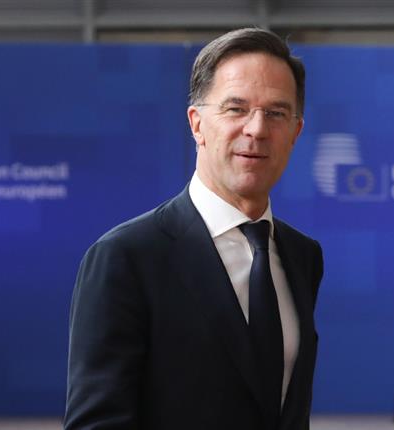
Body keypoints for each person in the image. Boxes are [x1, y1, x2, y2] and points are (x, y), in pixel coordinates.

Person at [65, 28, 323, 430]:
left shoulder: (302, 256)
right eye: (236, 109)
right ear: (197, 124)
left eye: (276, 113)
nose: (257, 129)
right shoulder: (126, 257)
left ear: (296, 132)